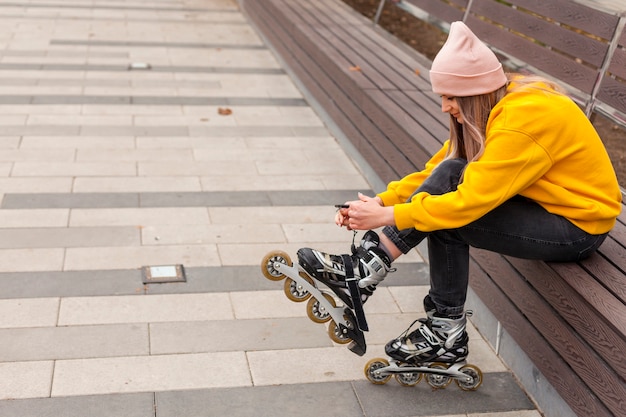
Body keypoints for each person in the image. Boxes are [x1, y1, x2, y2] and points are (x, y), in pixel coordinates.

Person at [297, 22, 622, 365]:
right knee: (450, 179)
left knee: (446, 219)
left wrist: (389, 217)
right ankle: (381, 280)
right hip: (543, 206)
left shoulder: (522, 119)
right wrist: (382, 201)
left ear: (474, 92)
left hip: (578, 226)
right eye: (443, 97)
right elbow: (442, 169)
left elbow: (467, 204)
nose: (444, 107)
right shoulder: (495, 103)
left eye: (450, 98)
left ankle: (432, 322)